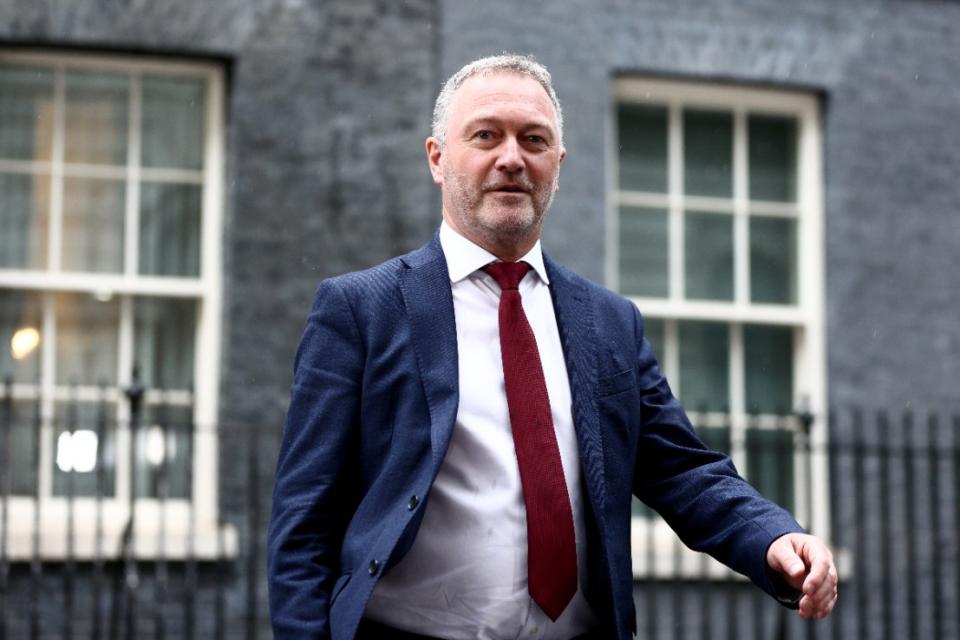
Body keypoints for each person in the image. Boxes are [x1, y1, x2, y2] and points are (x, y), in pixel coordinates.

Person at [267, 54, 838, 640]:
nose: (512, 158)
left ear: (557, 165)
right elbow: (304, 524)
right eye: (486, 135)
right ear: (437, 158)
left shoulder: (610, 321)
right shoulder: (360, 310)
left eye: (534, 140)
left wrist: (772, 536)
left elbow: (682, 469)